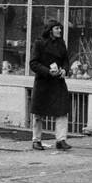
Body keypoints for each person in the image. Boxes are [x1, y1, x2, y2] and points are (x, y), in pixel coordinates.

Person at [30, 22, 72, 151]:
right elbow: (33, 63)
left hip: (58, 82)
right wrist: (48, 71)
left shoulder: (61, 43)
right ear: (50, 30)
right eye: (57, 28)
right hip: (43, 82)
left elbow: (65, 60)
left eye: (60, 28)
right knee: (38, 113)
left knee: (62, 111)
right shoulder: (39, 43)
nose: (59, 31)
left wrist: (65, 70)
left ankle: (61, 140)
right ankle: (36, 140)